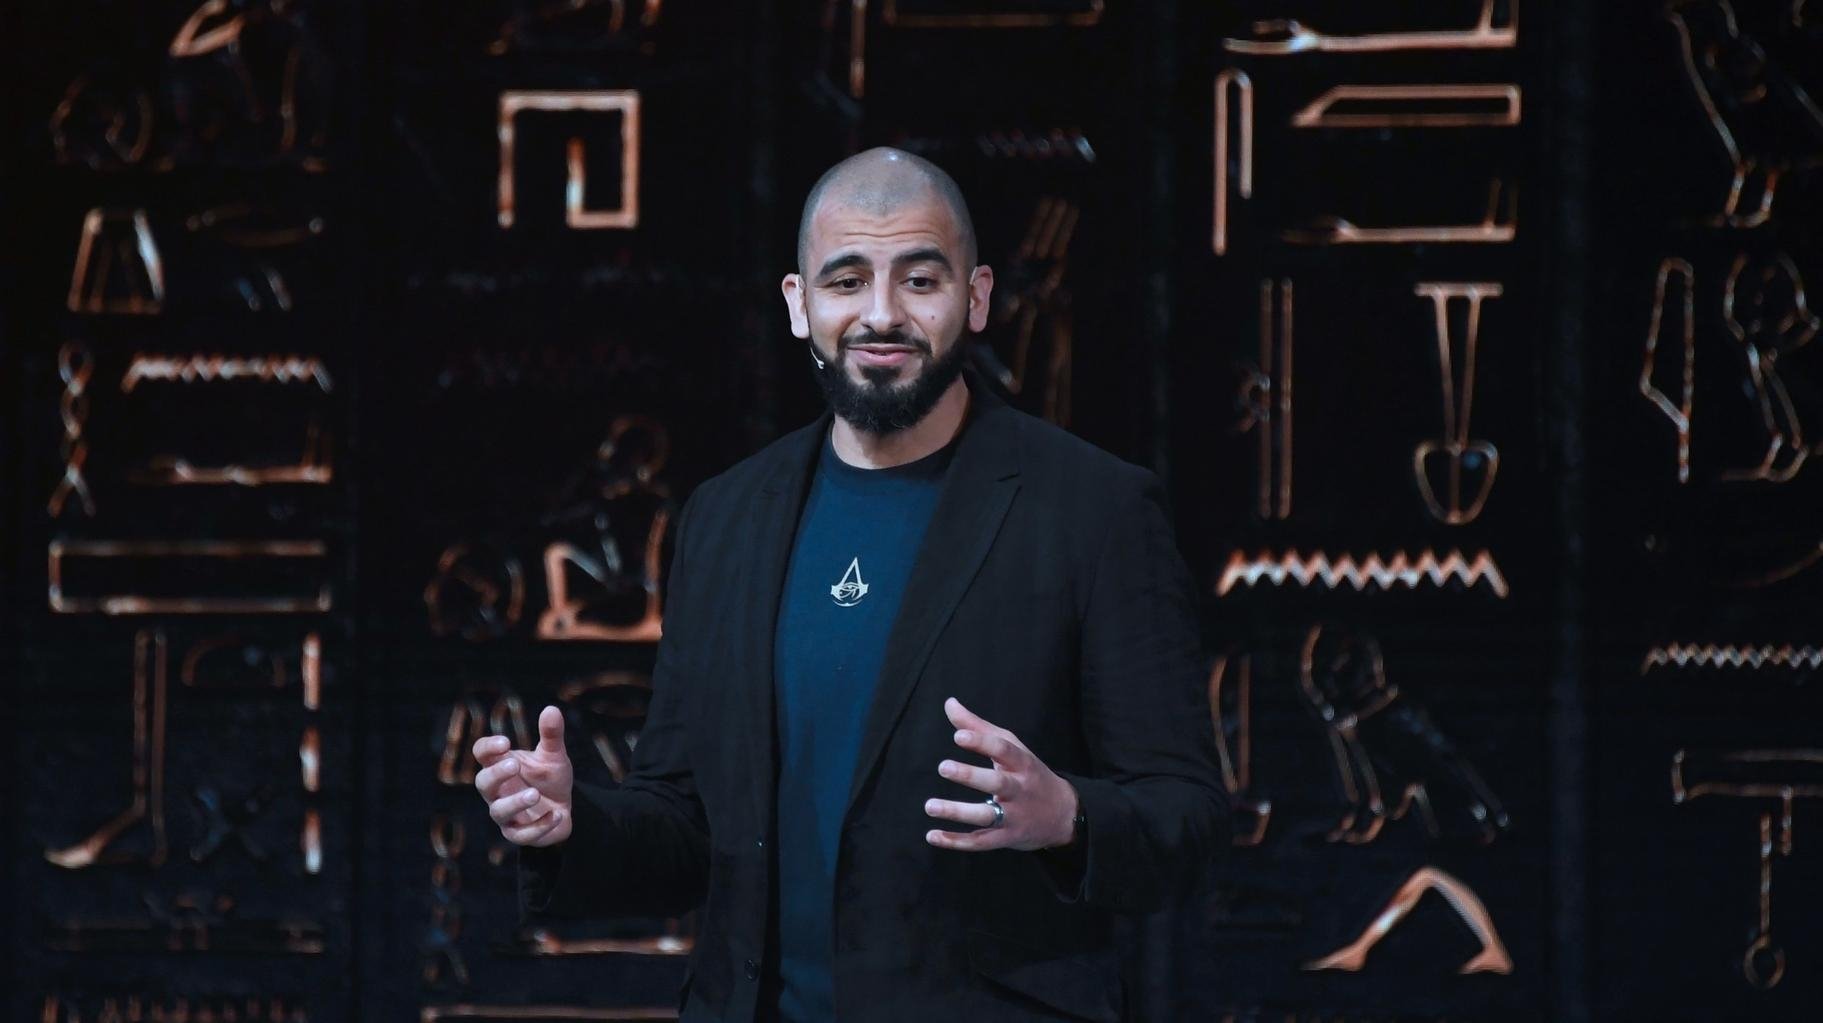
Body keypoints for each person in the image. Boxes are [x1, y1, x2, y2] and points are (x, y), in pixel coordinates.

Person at [471, 147, 1227, 1022]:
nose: (881, 314)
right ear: (800, 304)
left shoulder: (1094, 509)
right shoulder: (725, 517)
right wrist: (574, 820)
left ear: (977, 296)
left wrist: (1067, 814)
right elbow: (684, 821)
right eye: (846, 280)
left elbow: (1189, 820)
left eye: (920, 280)